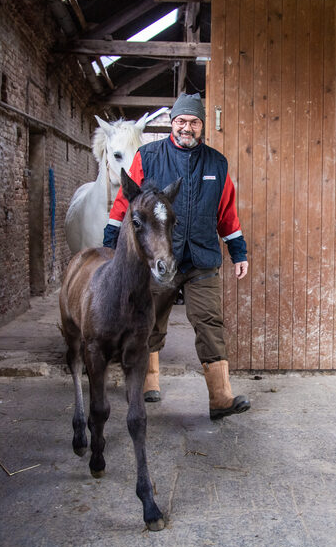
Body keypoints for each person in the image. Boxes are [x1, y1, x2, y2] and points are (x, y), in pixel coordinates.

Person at [103, 92, 251, 420]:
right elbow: (125, 202)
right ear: (172, 123)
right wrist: (110, 242)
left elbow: (226, 212)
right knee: (150, 321)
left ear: (202, 126)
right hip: (159, 259)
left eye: (194, 122)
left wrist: (238, 251)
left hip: (201, 257)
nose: (187, 127)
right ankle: (148, 384)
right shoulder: (148, 156)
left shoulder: (217, 163)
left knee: (209, 322)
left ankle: (221, 398)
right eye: (181, 121)